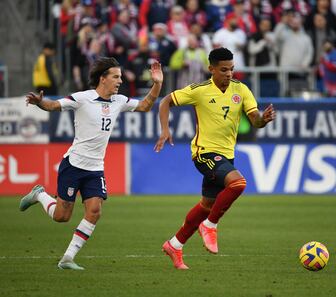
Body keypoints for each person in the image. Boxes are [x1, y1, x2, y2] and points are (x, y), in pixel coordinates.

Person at [20, 57, 163, 270]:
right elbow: (54, 105)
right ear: (102, 78)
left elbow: (144, 106)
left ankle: (67, 258)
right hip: (74, 164)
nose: (120, 81)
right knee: (62, 216)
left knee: (95, 210)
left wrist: (157, 83)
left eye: (121, 77)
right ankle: (39, 194)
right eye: (116, 77)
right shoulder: (82, 98)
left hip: (95, 168)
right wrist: (41, 102)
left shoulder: (119, 101)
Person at [154, 47, 275, 270]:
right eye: (224, 70)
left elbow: (254, 120)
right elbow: (165, 102)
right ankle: (209, 226)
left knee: (207, 205)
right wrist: (164, 129)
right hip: (204, 153)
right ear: (211, 69)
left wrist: (263, 120)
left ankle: (174, 244)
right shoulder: (199, 90)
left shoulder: (241, 89)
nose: (229, 74)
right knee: (238, 183)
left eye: (232, 69)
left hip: (226, 156)